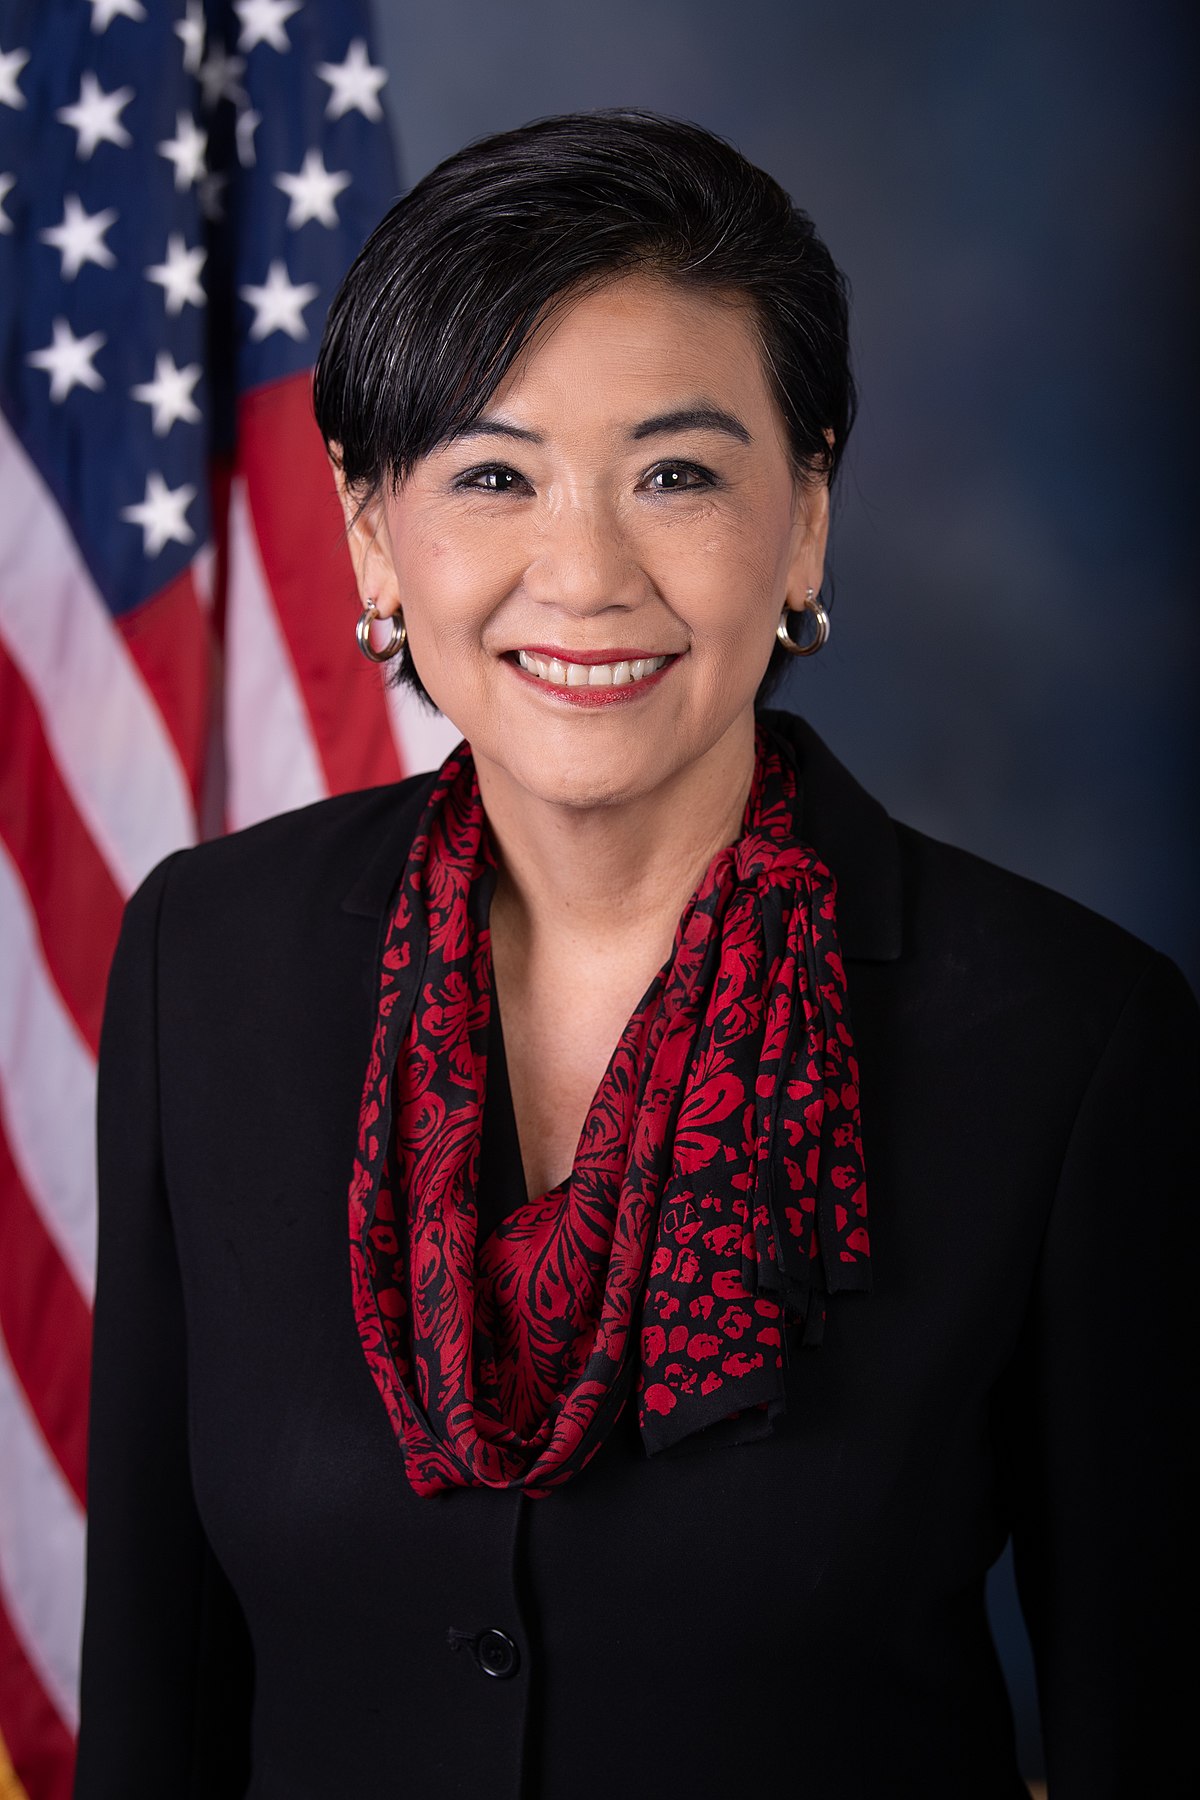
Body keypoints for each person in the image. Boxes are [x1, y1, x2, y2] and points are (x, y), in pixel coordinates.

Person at [74, 111, 1195, 1800]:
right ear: (373, 536)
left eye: (679, 472)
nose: (585, 573)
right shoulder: (201, 962)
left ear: (807, 513)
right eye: (491, 475)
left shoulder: (1070, 1039)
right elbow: (157, 1697)